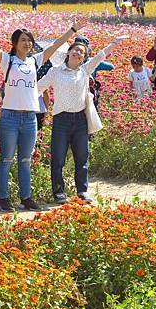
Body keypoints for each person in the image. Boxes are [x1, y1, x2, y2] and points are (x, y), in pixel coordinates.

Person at [0, 11, 89, 212]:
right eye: (23, 40)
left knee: (25, 159)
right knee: (6, 159)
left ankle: (26, 197)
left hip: (30, 117)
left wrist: (73, 30)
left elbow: (56, 45)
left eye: (29, 40)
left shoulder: (35, 61)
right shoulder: (7, 60)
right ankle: (3, 198)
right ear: (14, 43)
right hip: (10, 117)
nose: (27, 44)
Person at [37, 34, 125, 204]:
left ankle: (82, 191)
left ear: (84, 58)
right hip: (61, 119)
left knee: (82, 157)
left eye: (82, 52)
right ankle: (58, 192)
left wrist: (114, 42)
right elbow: (38, 87)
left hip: (80, 119)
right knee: (58, 158)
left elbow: (100, 56)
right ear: (69, 52)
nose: (78, 53)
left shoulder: (85, 70)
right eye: (76, 49)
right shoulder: (55, 71)